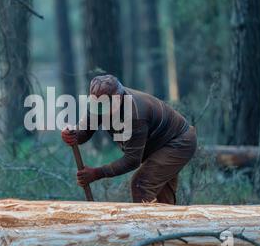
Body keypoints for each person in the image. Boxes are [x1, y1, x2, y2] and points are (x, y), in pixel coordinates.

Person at [61, 74, 197, 204]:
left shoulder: (135, 114)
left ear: (118, 98)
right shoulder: (98, 103)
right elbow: (85, 131)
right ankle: (167, 227)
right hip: (158, 144)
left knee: (141, 184)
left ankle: (146, 227)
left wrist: (97, 173)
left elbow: (132, 160)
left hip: (179, 142)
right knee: (163, 201)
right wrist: (73, 135)